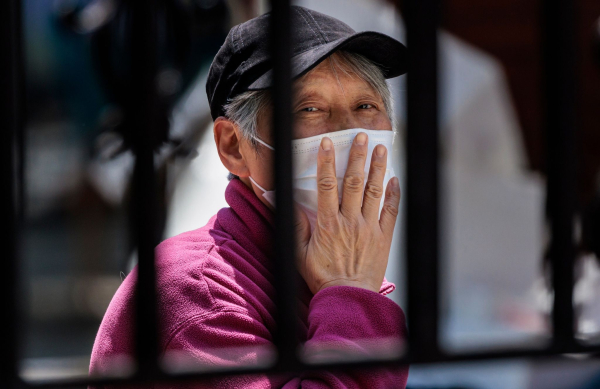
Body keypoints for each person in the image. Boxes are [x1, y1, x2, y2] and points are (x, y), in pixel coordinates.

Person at [90, 6, 409, 388]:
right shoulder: (196, 292)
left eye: (366, 106)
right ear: (234, 147)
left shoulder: (319, 268)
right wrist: (352, 293)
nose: (351, 134)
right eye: (309, 109)